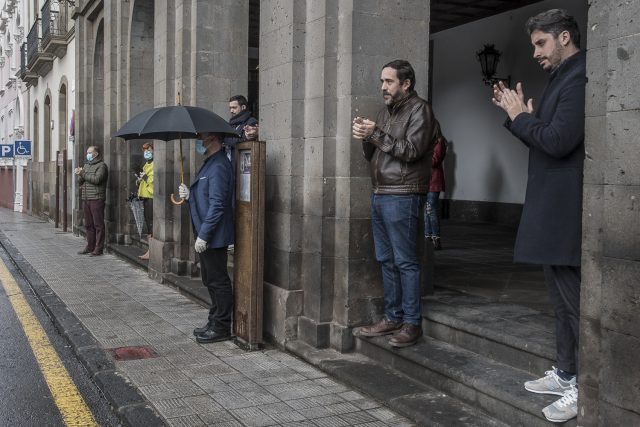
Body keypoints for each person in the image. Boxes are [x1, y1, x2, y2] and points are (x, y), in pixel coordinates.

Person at [491, 9, 585, 423]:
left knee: (575, 303)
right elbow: (543, 137)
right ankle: (566, 373)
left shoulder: (579, 77)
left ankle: (586, 384)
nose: (535, 53)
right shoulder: (561, 79)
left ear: (564, 37)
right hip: (553, 205)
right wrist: (522, 119)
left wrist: (522, 117)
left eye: (541, 43)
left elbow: (559, 141)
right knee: (561, 301)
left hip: (565, 207)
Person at [351, 59, 437, 348]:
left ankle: (411, 323)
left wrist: (375, 134)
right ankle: (392, 317)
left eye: (388, 82)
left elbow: (411, 151)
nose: (383, 87)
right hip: (381, 193)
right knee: (386, 260)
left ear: (406, 83)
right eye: (381, 82)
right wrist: (366, 135)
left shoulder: (420, 110)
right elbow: (374, 155)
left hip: (404, 194)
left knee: (406, 261)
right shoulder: (384, 113)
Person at [178, 133, 234, 344]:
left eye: (201, 138)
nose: (199, 142)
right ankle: (213, 320)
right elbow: (204, 198)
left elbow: (218, 204)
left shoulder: (219, 165)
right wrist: (189, 197)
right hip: (205, 232)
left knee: (218, 281)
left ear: (212, 139)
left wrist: (204, 235)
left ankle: (221, 326)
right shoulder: (209, 163)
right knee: (209, 279)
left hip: (213, 235)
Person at [75, 146, 108, 256]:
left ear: (96, 154)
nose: (87, 154)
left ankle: (98, 249)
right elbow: (81, 181)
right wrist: (79, 174)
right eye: (87, 152)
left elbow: (97, 180)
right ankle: (90, 246)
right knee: (88, 224)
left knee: (98, 224)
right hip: (86, 198)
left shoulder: (102, 166)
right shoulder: (86, 165)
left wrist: (83, 174)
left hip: (96, 198)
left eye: (90, 152)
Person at [425, 121, 447, 250]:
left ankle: (436, 238)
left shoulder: (439, 142)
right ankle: (427, 237)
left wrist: (422, 154)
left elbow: (434, 161)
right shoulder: (428, 142)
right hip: (426, 180)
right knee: (426, 211)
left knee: (431, 210)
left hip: (434, 181)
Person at [224, 95, 259, 166]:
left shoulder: (251, 122)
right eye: (230, 108)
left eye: (234, 108)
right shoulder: (231, 124)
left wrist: (224, 138)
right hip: (229, 163)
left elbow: (243, 142)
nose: (231, 111)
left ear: (243, 107)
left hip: (242, 164)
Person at [136, 142, 154, 260]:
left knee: (151, 225)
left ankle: (151, 251)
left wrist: (145, 178)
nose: (146, 152)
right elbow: (143, 182)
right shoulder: (146, 165)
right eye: (145, 151)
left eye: (149, 150)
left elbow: (153, 183)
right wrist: (139, 179)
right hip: (145, 197)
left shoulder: (154, 164)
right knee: (148, 225)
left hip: (152, 198)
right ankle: (150, 250)